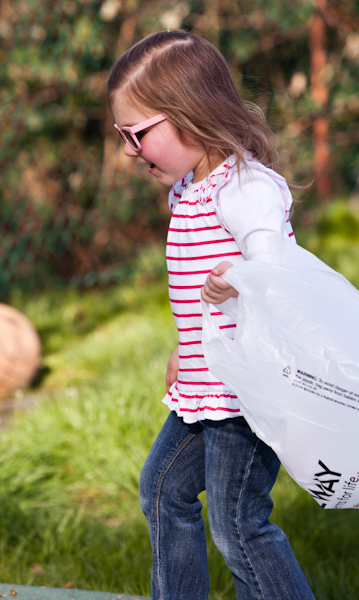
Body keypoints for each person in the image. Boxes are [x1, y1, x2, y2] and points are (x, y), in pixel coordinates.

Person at [107, 29, 315, 600]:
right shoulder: (188, 192)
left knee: (238, 526)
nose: (129, 150)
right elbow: (197, 296)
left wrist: (244, 277)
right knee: (163, 488)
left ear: (190, 116)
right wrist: (186, 344)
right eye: (123, 135)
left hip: (244, 395)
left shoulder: (245, 188)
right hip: (207, 386)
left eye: (137, 134)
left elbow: (274, 260)